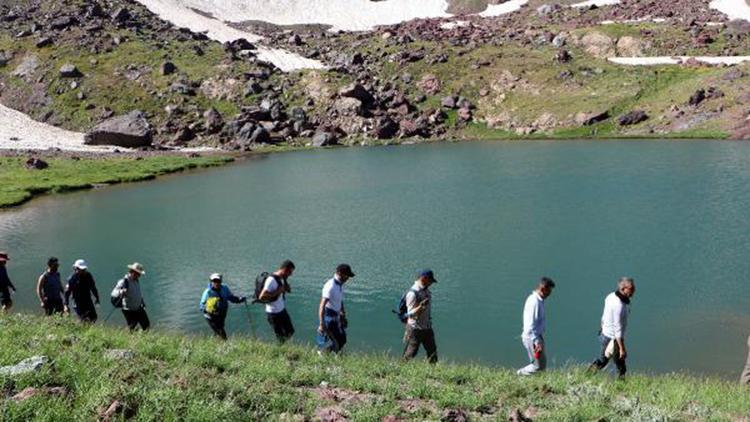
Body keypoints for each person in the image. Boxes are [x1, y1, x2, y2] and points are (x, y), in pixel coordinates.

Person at [590, 277, 636, 378]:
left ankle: (587, 375)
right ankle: (621, 386)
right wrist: (622, 349)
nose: (634, 291)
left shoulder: (610, 296)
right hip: (612, 338)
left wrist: (602, 328)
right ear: (623, 289)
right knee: (620, 365)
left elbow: (604, 316)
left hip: (604, 333)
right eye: (631, 288)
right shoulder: (619, 306)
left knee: (603, 361)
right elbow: (618, 329)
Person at [517, 277, 556, 375]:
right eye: (548, 292)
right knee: (537, 366)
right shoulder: (534, 302)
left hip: (536, 337)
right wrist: (537, 342)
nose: (549, 295)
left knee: (541, 365)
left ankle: (533, 383)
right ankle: (519, 374)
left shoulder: (539, 301)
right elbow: (530, 325)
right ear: (543, 289)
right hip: (532, 338)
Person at [402, 269, 439, 364]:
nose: (431, 283)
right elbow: (410, 314)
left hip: (427, 327)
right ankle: (401, 370)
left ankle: (433, 372)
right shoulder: (412, 293)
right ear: (424, 278)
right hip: (415, 329)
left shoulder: (425, 290)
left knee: (432, 352)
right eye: (430, 281)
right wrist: (420, 307)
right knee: (411, 353)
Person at [318, 264, 355, 354]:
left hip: (337, 317)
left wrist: (343, 315)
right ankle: (322, 354)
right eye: (346, 275)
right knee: (334, 342)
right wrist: (322, 324)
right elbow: (322, 305)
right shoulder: (330, 286)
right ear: (339, 273)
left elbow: (340, 301)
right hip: (329, 318)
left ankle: (329, 354)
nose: (348, 278)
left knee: (342, 339)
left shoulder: (340, 285)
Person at [199, 273, 247, 340]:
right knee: (220, 331)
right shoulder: (208, 292)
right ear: (211, 281)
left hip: (222, 313)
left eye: (218, 281)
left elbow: (230, 297)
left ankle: (216, 343)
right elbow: (201, 306)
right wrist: (209, 310)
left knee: (219, 330)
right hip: (211, 316)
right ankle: (226, 345)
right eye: (214, 281)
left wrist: (239, 299)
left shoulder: (225, 288)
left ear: (221, 281)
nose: (216, 283)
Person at [258, 260, 296, 342]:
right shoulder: (271, 280)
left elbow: (283, 290)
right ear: (285, 269)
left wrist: (286, 288)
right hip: (273, 314)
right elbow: (262, 296)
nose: (291, 274)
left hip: (282, 310)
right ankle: (281, 350)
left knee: (290, 331)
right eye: (290, 272)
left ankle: (283, 346)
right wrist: (278, 291)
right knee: (280, 337)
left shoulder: (282, 278)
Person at [112, 263, 150, 331]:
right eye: (138, 274)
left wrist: (142, 302)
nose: (139, 276)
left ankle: (142, 339)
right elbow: (114, 293)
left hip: (139, 308)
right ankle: (132, 340)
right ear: (132, 272)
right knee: (133, 328)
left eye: (139, 274)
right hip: (129, 310)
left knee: (146, 326)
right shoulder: (124, 281)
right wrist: (121, 292)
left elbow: (138, 293)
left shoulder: (136, 281)